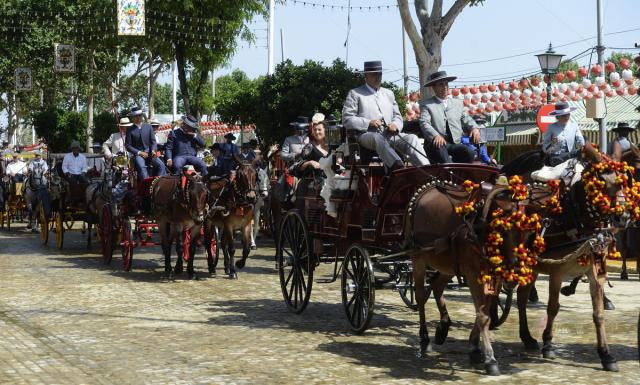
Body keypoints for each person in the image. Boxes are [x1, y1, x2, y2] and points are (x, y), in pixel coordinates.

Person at [343, 60, 429, 172]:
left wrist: (395, 125)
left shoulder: (388, 93)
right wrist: (368, 122)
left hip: (389, 135)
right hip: (366, 135)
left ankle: (428, 170)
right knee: (377, 137)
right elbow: (347, 119)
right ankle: (398, 168)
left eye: (380, 74)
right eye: (374, 74)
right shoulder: (355, 93)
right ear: (366, 76)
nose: (378, 77)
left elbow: (398, 116)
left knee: (412, 138)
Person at [419, 70, 480, 164]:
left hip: (454, 144)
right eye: (441, 84)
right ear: (433, 88)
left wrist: (474, 128)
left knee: (469, 153)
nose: (445, 87)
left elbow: (466, 118)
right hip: (435, 145)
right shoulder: (427, 104)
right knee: (441, 151)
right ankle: (451, 174)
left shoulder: (457, 103)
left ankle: (461, 176)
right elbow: (424, 122)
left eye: (446, 84)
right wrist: (435, 135)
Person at [125, 106, 166, 178]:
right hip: (138, 155)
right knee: (142, 167)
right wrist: (139, 152)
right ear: (132, 117)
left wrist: (153, 150)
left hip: (150, 153)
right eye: (136, 116)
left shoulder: (148, 127)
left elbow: (153, 141)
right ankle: (146, 185)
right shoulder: (130, 129)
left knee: (161, 165)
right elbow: (128, 146)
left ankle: (158, 184)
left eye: (139, 115)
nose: (138, 117)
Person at [542, 101, 585, 166]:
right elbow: (545, 149)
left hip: (572, 158)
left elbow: (581, 142)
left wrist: (580, 143)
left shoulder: (574, 126)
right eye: (564, 115)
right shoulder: (551, 127)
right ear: (557, 117)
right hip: (556, 159)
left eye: (568, 114)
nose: (566, 117)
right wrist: (552, 144)